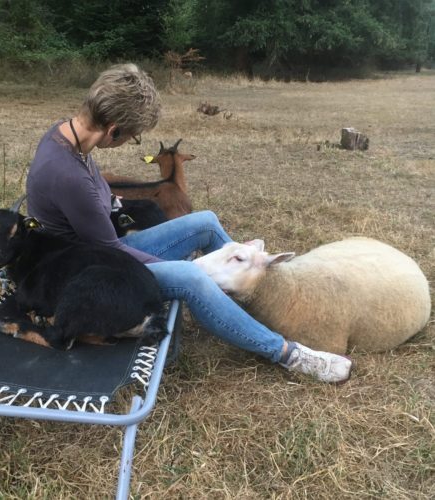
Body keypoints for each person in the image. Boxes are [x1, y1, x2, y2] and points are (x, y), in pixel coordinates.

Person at [26, 63, 352, 383]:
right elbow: (109, 249)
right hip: (85, 274)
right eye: (134, 138)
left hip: (99, 250)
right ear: (113, 130)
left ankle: (243, 302)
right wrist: (192, 270)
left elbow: (103, 230)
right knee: (190, 277)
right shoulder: (68, 175)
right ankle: (286, 354)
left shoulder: (69, 134)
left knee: (205, 223)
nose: (132, 143)